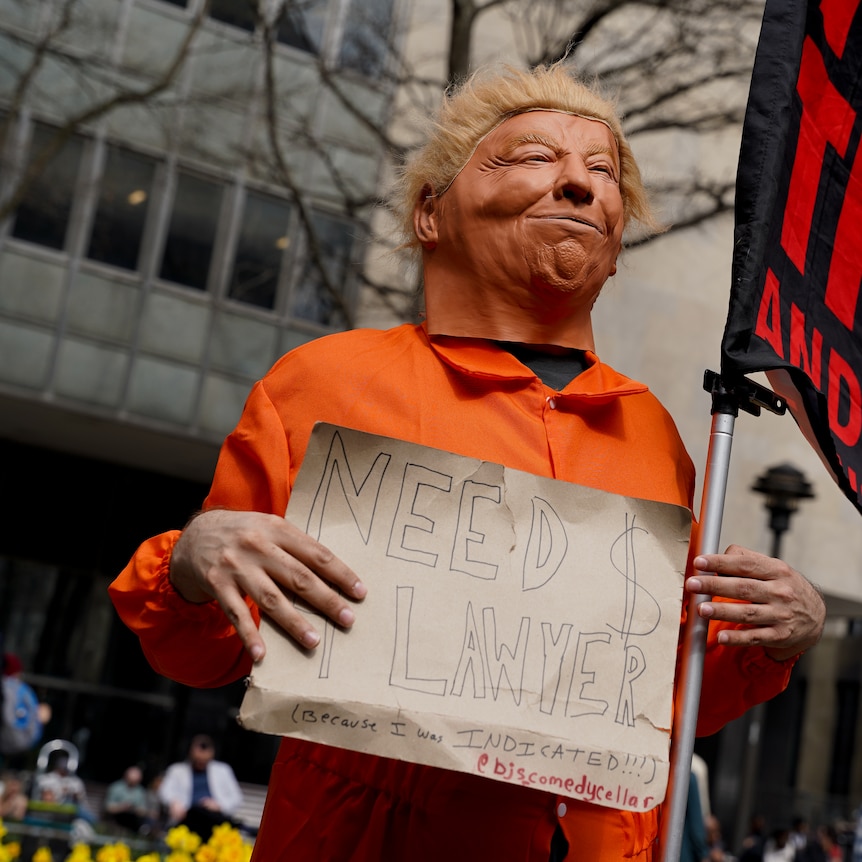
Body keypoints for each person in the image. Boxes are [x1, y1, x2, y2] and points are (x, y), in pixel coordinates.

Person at [108, 62, 826, 861]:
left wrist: (775, 638)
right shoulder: (321, 385)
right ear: (429, 212)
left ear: (619, 247)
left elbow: (656, 694)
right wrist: (194, 560)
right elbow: (204, 652)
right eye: (530, 158)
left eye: (603, 171)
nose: (581, 186)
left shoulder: (654, 436)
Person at [157, 734, 243, 840]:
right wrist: (174, 802)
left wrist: (219, 805)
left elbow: (237, 798)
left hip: (213, 821)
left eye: (204, 761)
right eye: (198, 760)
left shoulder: (223, 771)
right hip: (186, 819)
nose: (201, 763)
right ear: (191, 753)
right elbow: (164, 792)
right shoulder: (176, 770)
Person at [102, 765, 151, 834]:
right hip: (116, 818)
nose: (133, 783)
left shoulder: (140, 791)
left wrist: (134, 809)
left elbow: (143, 811)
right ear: (126, 777)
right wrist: (121, 807)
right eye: (131, 781)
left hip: (133, 819)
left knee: (148, 823)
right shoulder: (116, 787)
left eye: (135, 782)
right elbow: (107, 807)